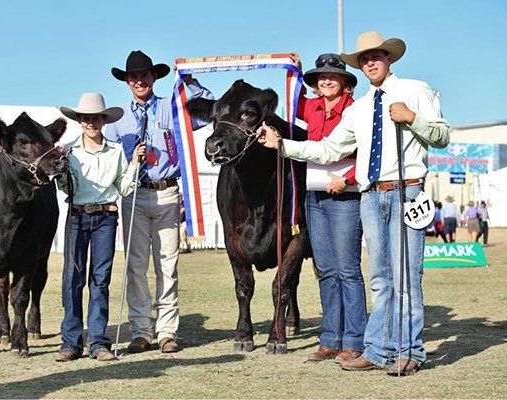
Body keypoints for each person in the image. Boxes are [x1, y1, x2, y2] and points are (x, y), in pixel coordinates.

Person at [258, 32, 450, 375]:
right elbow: (329, 149)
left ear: (389, 58)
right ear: (359, 66)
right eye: (364, 59)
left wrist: (412, 118)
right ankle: (377, 349)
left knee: (406, 274)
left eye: (376, 56)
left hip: (406, 190)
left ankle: (410, 350)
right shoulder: (360, 109)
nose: (370, 62)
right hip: (370, 195)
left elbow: (442, 136)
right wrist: (283, 145)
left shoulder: (415, 91)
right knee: (379, 277)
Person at [105, 50, 213, 353]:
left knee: (167, 265)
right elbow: (109, 160)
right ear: (127, 82)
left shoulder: (172, 108)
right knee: (135, 265)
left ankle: (167, 331)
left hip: (167, 192)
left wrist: (190, 80)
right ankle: (141, 329)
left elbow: (207, 109)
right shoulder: (116, 119)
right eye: (133, 76)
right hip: (134, 194)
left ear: (154, 77)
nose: (139, 80)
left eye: (144, 75)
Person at [55, 93, 146, 362]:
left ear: (103, 121)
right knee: (73, 278)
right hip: (77, 216)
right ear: (79, 121)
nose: (91, 122)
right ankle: (71, 342)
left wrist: (135, 165)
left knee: (100, 279)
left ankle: (98, 342)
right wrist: (61, 172)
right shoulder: (69, 152)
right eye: (86, 118)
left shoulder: (117, 151)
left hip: (106, 218)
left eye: (96, 118)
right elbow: (63, 187)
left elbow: (124, 187)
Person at [290, 53, 366, 364]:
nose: (326, 80)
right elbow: (287, 97)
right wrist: (292, 69)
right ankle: (330, 338)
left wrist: (347, 179)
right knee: (327, 271)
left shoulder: (357, 110)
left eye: (333, 75)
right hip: (315, 197)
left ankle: (355, 339)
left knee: (348, 270)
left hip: (346, 197)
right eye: (321, 76)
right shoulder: (310, 106)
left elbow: (371, 151)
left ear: (346, 82)